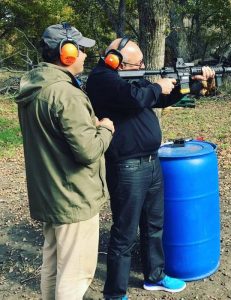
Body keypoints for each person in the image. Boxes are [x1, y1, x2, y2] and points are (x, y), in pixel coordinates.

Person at [86, 37, 215, 300]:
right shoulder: (102, 79)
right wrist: (158, 85)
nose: (143, 66)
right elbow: (137, 98)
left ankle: (154, 276)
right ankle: (114, 293)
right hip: (126, 166)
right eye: (139, 63)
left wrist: (188, 87)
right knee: (124, 234)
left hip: (151, 162)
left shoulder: (128, 78)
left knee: (154, 225)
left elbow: (158, 100)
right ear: (117, 62)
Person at [15, 22, 115, 300]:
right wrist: (105, 128)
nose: (84, 55)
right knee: (75, 275)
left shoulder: (36, 86)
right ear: (66, 52)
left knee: (53, 265)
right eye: (81, 49)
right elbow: (88, 151)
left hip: (51, 194)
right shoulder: (66, 94)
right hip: (73, 198)